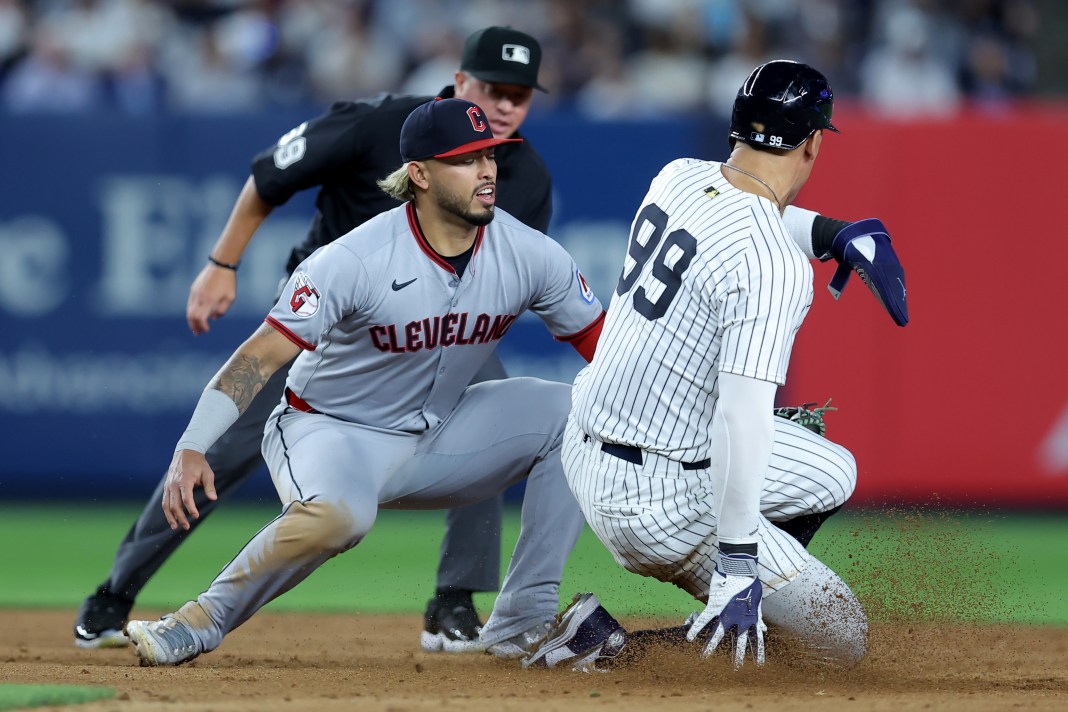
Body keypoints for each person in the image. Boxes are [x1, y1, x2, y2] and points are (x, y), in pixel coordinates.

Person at [74, 25, 554, 654]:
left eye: (518, 96)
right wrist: (222, 263)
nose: (504, 105)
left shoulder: (522, 174)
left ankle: (453, 603)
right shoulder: (379, 125)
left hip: (427, 330)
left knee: (491, 408)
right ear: (458, 81)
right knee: (220, 446)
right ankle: (116, 590)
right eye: (492, 88)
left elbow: (503, 278)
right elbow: (269, 177)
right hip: (321, 328)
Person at [523, 60, 908, 672]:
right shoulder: (774, 266)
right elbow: (741, 416)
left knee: (833, 471)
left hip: (591, 442)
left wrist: (834, 233)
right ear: (811, 145)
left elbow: (746, 207)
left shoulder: (678, 177)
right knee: (843, 638)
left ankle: (753, 590)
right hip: (658, 501)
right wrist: (736, 560)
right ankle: (612, 646)